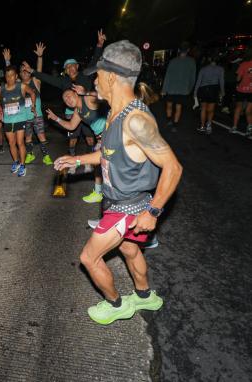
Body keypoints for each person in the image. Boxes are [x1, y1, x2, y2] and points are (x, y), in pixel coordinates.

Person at [54, 40, 183, 325]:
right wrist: (76, 160)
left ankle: (116, 304)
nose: (93, 81)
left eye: (97, 75)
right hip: (120, 202)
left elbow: (173, 167)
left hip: (127, 207)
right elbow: (107, 154)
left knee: (89, 257)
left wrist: (153, 211)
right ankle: (145, 296)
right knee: (128, 248)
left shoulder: (136, 120)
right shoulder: (115, 112)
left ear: (111, 76)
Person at [22, 30, 107, 165]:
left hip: (89, 111)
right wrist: (32, 71)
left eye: (72, 66)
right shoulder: (64, 82)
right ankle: (73, 157)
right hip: (73, 113)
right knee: (72, 138)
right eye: (67, 68)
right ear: (65, 71)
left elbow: (94, 61)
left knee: (90, 139)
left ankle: (91, 160)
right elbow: (48, 78)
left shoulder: (85, 75)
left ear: (77, 66)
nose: (70, 69)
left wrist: (99, 45)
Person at [46, 85, 106, 202]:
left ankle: (114, 198)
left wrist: (85, 92)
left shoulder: (87, 100)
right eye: (65, 100)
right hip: (101, 138)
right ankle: (99, 192)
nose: (67, 100)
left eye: (68, 96)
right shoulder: (78, 111)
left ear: (75, 93)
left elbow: (105, 96)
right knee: (99, 165)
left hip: (111, 133)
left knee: (109, 167)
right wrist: (56, 119)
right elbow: (71, 126)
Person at [3, 44, 53, 166]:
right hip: (24, 117)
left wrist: (40, 57)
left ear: (30, 72)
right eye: (22, 71)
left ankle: (46, 156)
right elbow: (10, 76)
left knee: (41, 135)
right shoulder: (18, 85)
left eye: (26, 71)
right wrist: (7, 61)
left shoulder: (36, 81)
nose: (24, 73)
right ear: (19, 74)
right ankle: (30, 154)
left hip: (36, 115)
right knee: (27, 138)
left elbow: (39, 71)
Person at [0, 65, 37, 177]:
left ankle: (23, 165)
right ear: (5, 77)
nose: (10, 78)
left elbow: (33, 93)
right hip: (8, 121)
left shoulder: (22, 86)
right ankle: (16, 162)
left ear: (16, 76)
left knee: (20, 143)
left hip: (20, 120)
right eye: (8, 76)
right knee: (11, 143)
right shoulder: (1, 88)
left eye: (12, 75)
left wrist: (33, 106)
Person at [161, 43, 196, 130]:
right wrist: (190, 88)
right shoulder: (192, 62)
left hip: (171, 88)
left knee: (169, 105)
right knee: (178, 107)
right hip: (183, 89)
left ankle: (169, 120)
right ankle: (175, 125)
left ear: (179, 50)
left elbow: (167, 76)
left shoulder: (173, 61)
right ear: (188, 50)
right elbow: (193, 77)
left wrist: (164, 89)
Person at [194, 56, 224, 134]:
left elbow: (198, 81)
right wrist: (222, 91)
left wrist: (195, 92)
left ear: (209, 60)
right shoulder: (220, 69)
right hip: (214, 89)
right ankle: (209, 125)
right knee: (211, 110)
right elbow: (221, 81)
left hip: (204, 89)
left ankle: (202, 126)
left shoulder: (203, 69)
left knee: (203, 108)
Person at [231, 49, 252, 137]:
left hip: (242, 90)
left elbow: (238, 79)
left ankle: (234, 127)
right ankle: (250, 129)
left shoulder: (243, 64)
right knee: (248, 110)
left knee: (238, 108)